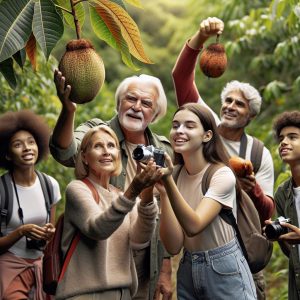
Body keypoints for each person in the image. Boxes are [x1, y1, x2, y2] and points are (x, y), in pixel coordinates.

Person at [172, 16, 274, 299]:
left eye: (239, 104)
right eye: (227, 100)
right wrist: (200, 38)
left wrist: (251, 186)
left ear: (250, 115)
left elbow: (266, 212)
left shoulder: (256, 152)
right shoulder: (204, 128)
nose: (230, 106)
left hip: (239, 248)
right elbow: (180, 78)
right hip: (196, 254)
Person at [50, 70, 173, 300]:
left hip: (143, 260)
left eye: (146, 103)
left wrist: (165, 270)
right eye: (130, 98)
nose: (136, 106)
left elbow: (165, 212)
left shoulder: (162, 150)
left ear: (155, 114)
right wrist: (68, 110)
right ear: (119, 103)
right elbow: (64, 151)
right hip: (98, 262)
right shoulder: (98, 133)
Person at [155, 103, 257, 299]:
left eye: (189, 126)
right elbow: (174, 246)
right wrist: (165, 193)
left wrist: (168, 182)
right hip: (188, 267)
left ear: (207, 135)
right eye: (175, 125)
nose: (179, 131)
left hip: (224, 268)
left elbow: (194, 225)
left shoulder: (222, 174)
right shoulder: (175, 175)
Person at [55, 124, 160, 299]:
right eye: (98, 146)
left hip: (122, 293)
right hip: (84, 294)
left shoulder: (120, 195)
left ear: (118, 155)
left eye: (111, 146)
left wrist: (147, 192)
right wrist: (133, 190)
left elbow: (139, 240)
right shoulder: (78, 189)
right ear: (84, 157)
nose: (106, 151)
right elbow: (98, 229)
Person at [0, 110, 61, 300]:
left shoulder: (49, 185)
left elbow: (50, 231)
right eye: (18, 145)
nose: (27, 148)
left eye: (31, 142)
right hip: (10, 269)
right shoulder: (2, 189)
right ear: (8, 155)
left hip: (42, 268)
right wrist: (21, 231)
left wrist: (50, 232)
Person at [270, 110, 300, 300]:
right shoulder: (282, 193)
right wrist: (276, 233)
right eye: (281, 138)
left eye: (292, 137)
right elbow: (291, 253)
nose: (283, 142)